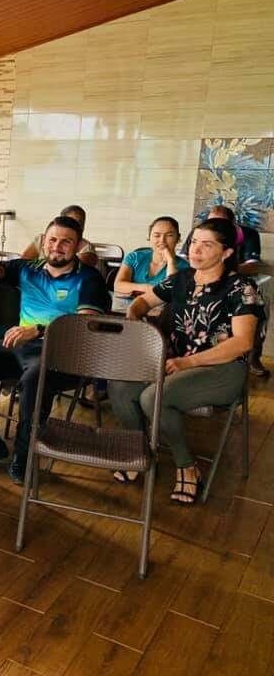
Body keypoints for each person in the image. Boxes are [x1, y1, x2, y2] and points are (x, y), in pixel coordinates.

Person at [110, 218, 263, 504]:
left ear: (227, 252)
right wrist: (136, 323)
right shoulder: (180, 279)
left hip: (222, 369)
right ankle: (138, 451)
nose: (196, 250)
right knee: (119, 383)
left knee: (153, 397)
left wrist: (187, 363)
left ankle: (186, 466)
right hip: (174, 362)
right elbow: (142, 302)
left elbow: (242, 342)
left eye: (207, 244)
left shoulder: (241, 287)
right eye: (194, 242)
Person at [0, 215, 110, 483]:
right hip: (19, 348)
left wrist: (38, 329)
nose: (57, 246)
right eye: (52, 240)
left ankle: (24, 454)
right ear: (43, 241)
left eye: (66, 242)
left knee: (34, 378)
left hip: (65, 354)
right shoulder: (27, 268)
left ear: (78, 245)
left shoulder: (89, 279)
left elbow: (84, 325)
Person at [180, 204, 268, 377]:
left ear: (233, 224)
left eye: (221, 223)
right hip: (202, 279)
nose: (214, 227)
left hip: (238, 280)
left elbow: (253, 265)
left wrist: (223, 269)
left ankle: (253, 357)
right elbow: (185, 259)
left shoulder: (248, 234)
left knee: (257, 307)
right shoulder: (199, 232)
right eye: (211, 222)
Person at [114, 216, 189, 295]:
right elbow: (118, 286)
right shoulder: (134, 257)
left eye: (169, 235)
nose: (162, 240)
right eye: (157, 235)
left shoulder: (185, 268)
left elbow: (172, 294)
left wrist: (170, 262)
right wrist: (149, 288)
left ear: (178, 238)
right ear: (149, 237)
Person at [21, 204, 98, 268]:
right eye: (70, 223)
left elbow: (75, 271)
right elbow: (24, 262)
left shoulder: (86, 248)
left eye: (80, 223)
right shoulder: (41, 239)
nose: (76, 226)